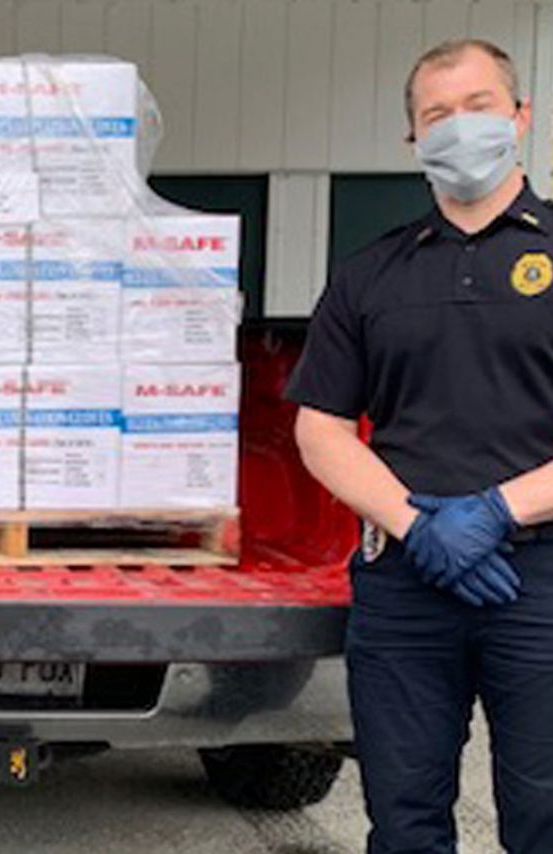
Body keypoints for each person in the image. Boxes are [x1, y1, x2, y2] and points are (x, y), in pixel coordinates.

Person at [289, 38, 553, 854]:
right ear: (413, 142)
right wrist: (418, 526)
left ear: (521, 117)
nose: (459, 127)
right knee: (403, 823)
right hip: (405, 582)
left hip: (540, 579)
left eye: (479, 107)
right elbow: (320, 428)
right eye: (437, 116)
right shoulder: (370, 275)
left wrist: (495, 510)